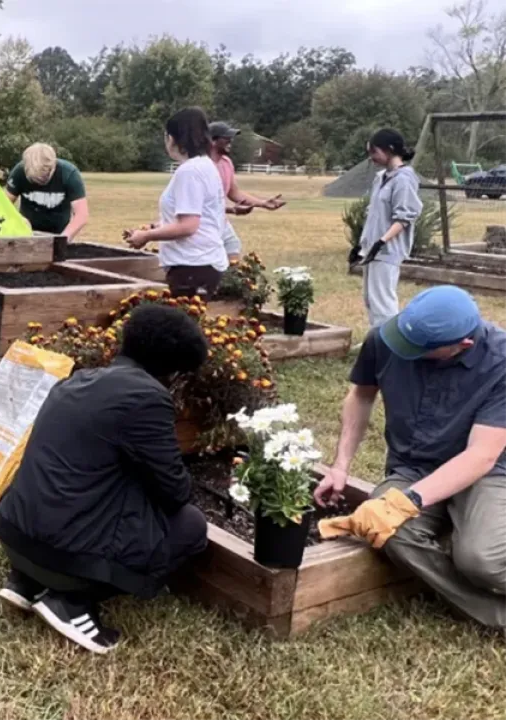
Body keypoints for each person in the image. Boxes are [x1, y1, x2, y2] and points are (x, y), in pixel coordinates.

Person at [0, 304, 210, 654]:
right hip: (62, 555)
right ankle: (72, 601)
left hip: (14, 535)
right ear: (172, 370)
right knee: (191, 526)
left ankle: (26, 582)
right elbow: (174, 491)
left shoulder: (76, 380)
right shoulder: (146, 397)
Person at [316, 286, 506, 629]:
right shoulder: (386, 338)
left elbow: (481, 455)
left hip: (487, 472)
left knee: (482, 560)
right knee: (387, 532)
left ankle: (468, 534)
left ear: (463, 344)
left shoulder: (501, 361)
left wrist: (407, 502)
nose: (403, 350)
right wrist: (340, 465)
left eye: (418, 349)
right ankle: (494, 614)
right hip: (414, 467)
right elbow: (361, 395)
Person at [125, 108, 228, 300]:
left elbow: (188, 226)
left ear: (172, 138)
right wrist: (154, 227)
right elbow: (195, 215)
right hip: (201, 264)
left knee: (183, 319)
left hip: (192, 265)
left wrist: (147, 236)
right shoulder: (205, 165)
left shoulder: (189, 171)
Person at [356, 128, 423, 327]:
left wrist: (382, 241)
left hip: (387, 250)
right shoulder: (381, 177)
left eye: (374, 152)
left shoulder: (404, 179)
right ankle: (375, 337)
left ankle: (388, 340)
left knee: (383, 301)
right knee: (370, 299)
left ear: (390, 149)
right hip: (372, 248)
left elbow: (404, 217)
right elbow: (374, 213)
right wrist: (363, 244)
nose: (372, 157)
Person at [207, 121, 286, 264]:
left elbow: (234, 192)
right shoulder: (202, 167)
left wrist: (263, 203)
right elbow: (202, 205)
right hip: (204, 224)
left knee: (232, 246)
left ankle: (230, 277)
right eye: (226, 138)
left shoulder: (226, 163)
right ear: (212, 141)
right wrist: (231, 210)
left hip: (220, 221)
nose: (231, 141)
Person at [5, 143, 89, 239]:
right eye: (35, 179)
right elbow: (3, 205)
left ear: (53, 165)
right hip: (26, 235)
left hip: (59, 233)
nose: (40, 182)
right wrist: (19, 219)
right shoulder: (19, 172)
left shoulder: (69, 174)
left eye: (44, 176)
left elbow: (81, 215)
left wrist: (62, 239)